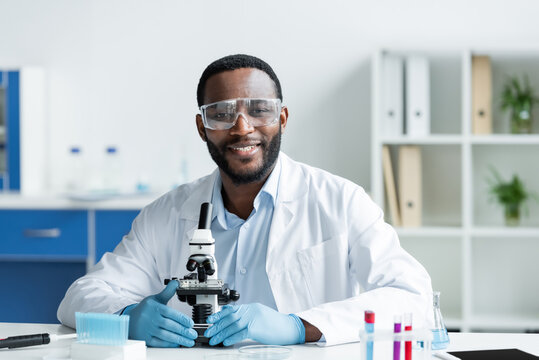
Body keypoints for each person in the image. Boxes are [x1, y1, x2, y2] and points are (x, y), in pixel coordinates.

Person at [58, 54, 433, 348]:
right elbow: (78, 298)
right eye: (221, 114)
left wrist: (299, 326)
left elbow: (412, 300)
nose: (242, 127)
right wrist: (126, 316)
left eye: (259, 110)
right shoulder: (167, 214)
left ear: (282, 118)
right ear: (202, 128)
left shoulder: (340, 201)